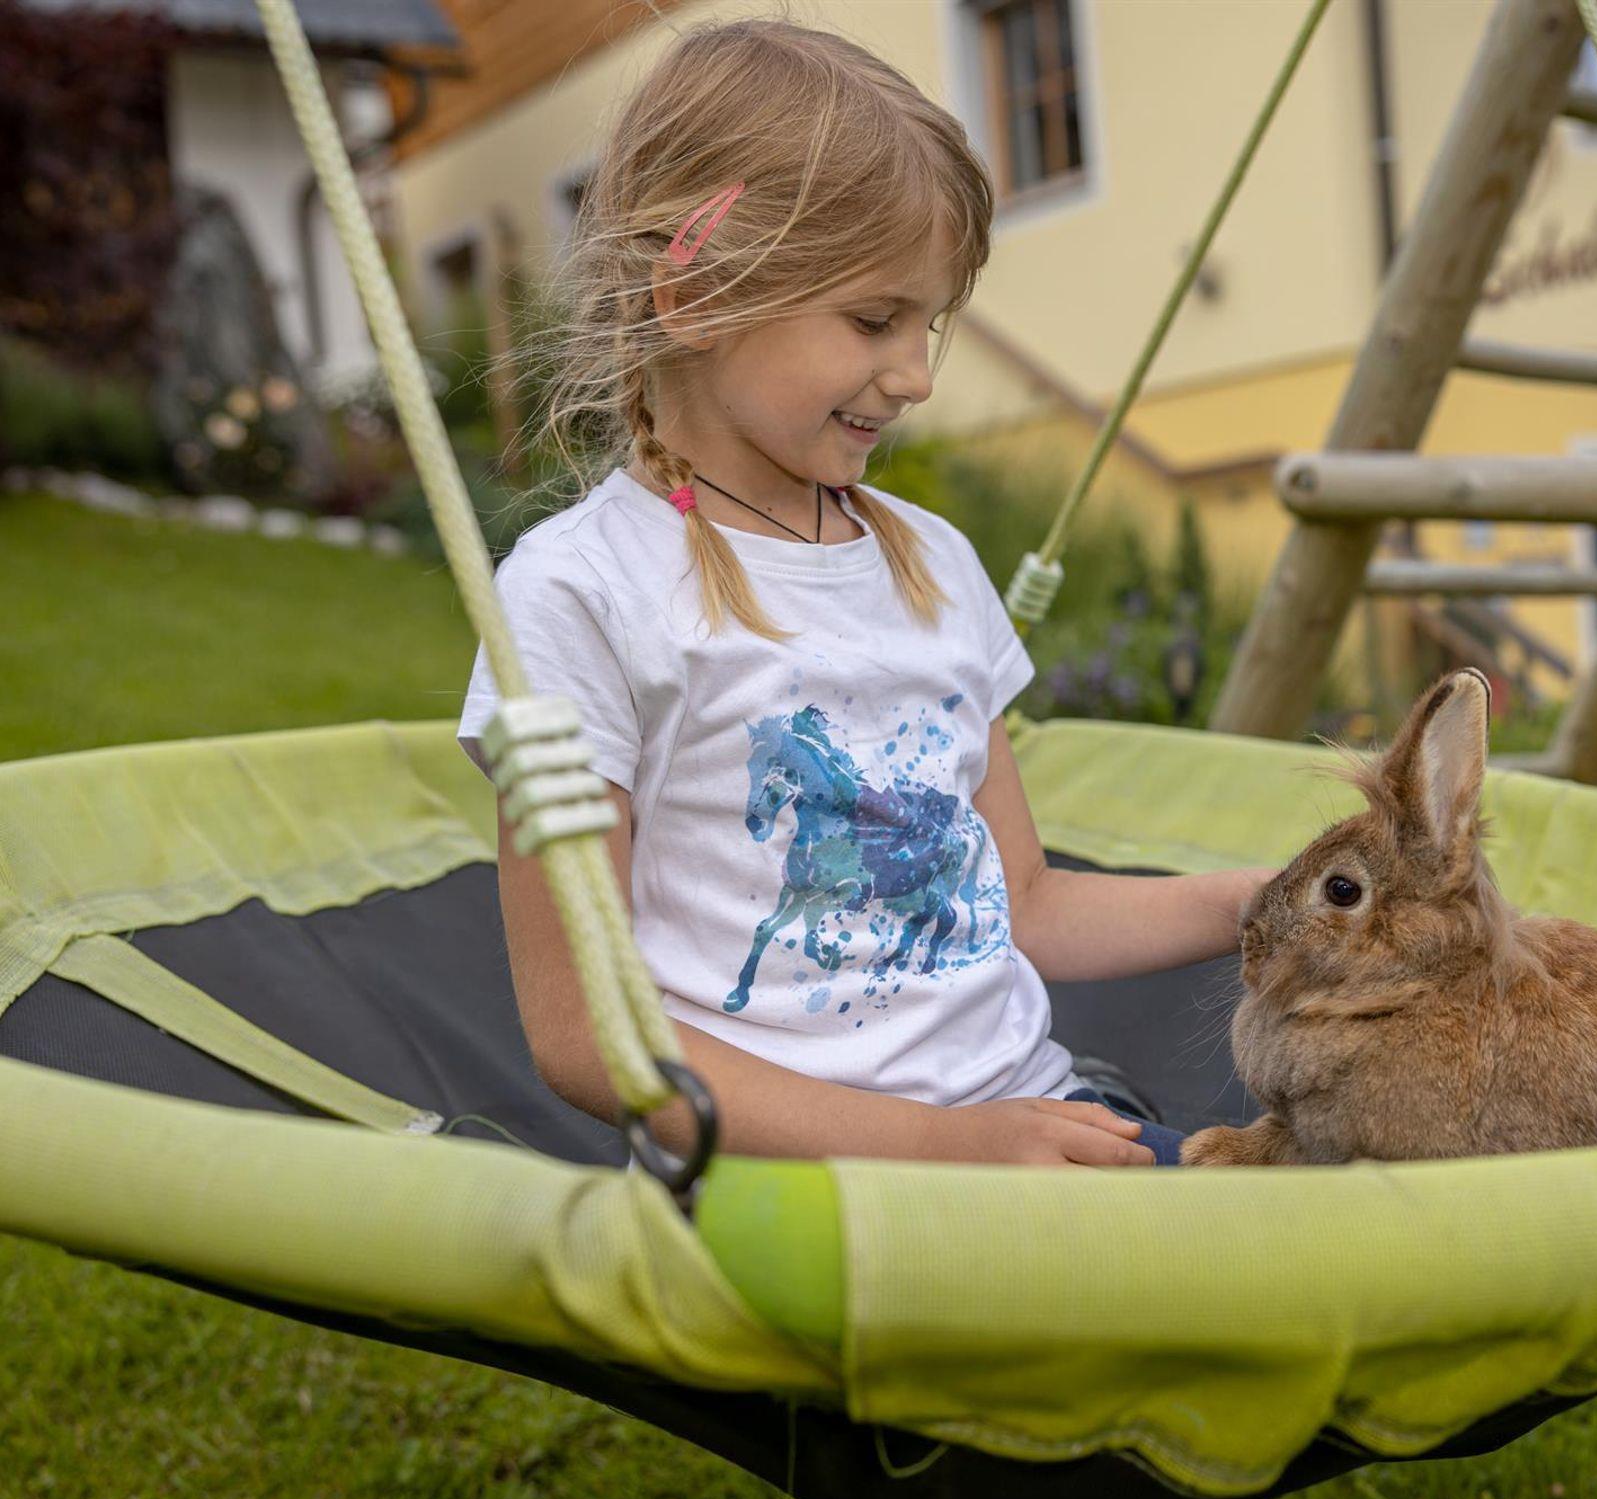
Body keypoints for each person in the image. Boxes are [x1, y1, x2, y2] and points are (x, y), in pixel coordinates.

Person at [457, 18, 1276, 1168]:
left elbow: (1027, 903)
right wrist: (948, 1145)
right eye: (873, 320)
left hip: (1026, 1113)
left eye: (927, 324)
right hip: (791, 1191)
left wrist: (1258, 902)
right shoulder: (580, 593)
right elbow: (591, 1036)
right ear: (692, 293)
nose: (916, 376)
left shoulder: (930, 560)